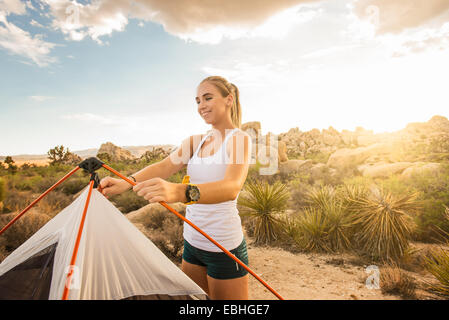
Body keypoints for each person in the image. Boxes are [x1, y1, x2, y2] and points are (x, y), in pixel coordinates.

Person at [99, 75, 252, 300]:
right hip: (192, 243)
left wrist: (180, 192)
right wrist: (125, 182)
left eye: (208, 98)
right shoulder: (195, 141)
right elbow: (165, 166)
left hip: (224, 247)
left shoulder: (239, 139)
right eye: (198, 101)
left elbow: (231, 187)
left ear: (229, 100)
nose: (201, 106)